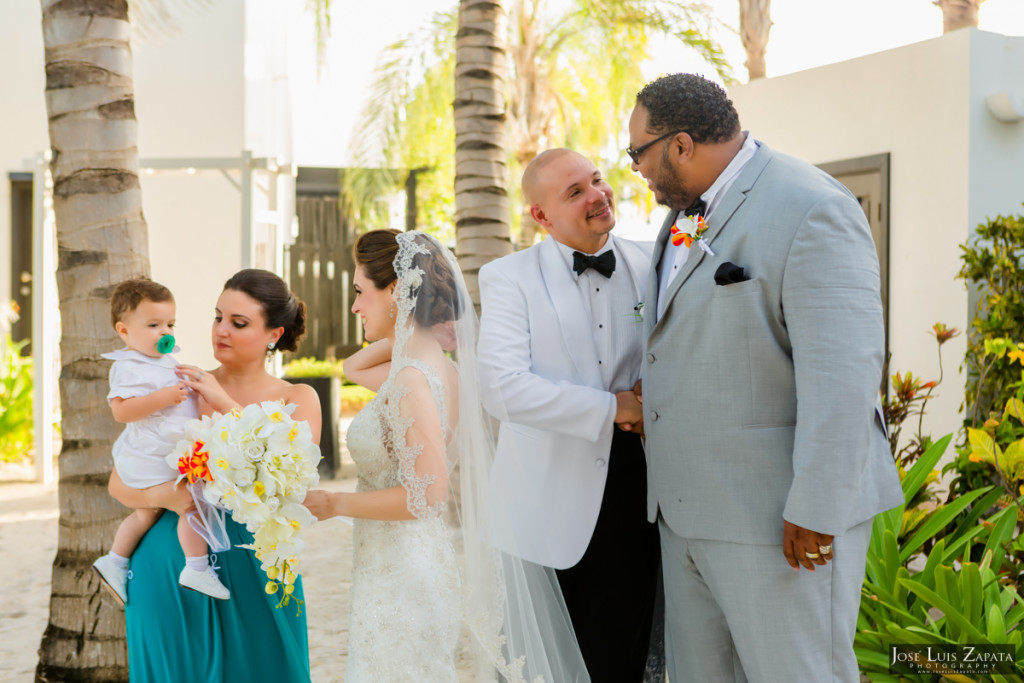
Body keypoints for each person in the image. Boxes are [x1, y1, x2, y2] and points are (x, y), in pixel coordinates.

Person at [627, 72, 903, 682]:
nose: (636, 170)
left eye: (636, 154)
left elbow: (844, 373)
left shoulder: (812, 206)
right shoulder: (678, 219)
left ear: (679, 145)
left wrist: (817, 507)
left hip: (781, 521)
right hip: (686, 515)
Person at [303, 229, 590, 682]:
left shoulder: (412, 380)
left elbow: (428, 497)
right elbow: (351, 367)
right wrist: (413, 325)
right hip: (397, 565)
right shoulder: (438, 367)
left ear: (395, 291)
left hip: (402, 578)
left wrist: (333, 503)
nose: (355, 306)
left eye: (360, 292)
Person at [476, 149, 661, 683]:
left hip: (635, 493)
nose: (597, 195)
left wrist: (658, 392)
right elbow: (502, 388)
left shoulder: (655, 262)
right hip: (543, 503)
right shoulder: (508, 277)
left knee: (620, 656)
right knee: (542, 666)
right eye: (574, 192)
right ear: (541, 216)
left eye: (597, 181)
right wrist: (613, 407)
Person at [107, 269, 321, 683]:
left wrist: (222, 401)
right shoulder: (178, 386)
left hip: (257, 567)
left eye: (238, 323)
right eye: (217, 316)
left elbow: (294, 487)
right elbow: (120, 483)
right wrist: (168, 499)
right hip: (169, 565)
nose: (221, 330)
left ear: (274, 334)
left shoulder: (299, 398)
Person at [92, 278, 230, 606]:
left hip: (165, 452)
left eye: (170, 324)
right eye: (154, 325)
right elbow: (122, 411)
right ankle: (195, 567)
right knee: (192, 503)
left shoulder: (162, 360)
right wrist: (163, 397)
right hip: (149, 455)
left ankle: (114, 561)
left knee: (145, 515)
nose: (165, 332)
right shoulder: (128, 366)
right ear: (124, 330)